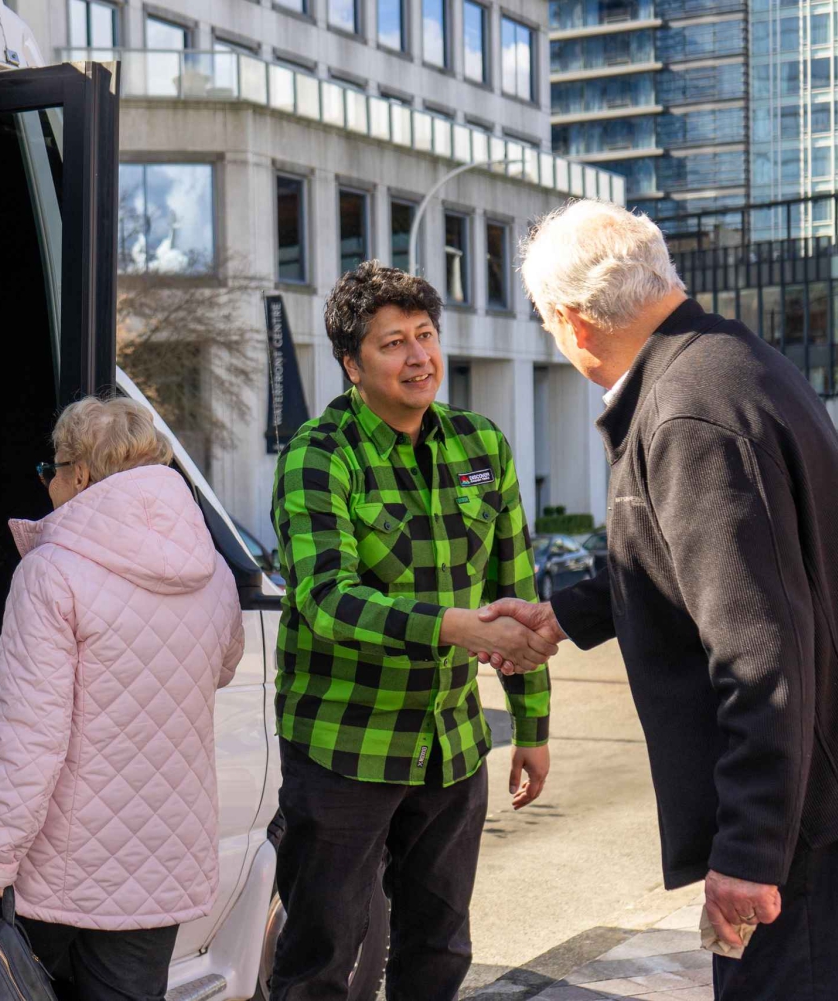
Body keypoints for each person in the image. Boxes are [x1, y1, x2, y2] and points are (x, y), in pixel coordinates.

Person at [484, 200, 838, 1000]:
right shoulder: (721, 359)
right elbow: (685, 556)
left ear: (572, 321)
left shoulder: (688, 410)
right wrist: (564, 615)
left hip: (819, 794)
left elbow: (756, 646)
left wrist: (749, 851)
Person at [268, 261, 554, 1001]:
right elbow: (327, 597)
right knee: (320, 959)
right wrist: (452, 626)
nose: (419, 356)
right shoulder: (319, 455)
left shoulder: (482, 447)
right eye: (392, 342)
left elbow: (516, 593)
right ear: (351, 364)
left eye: (425, 335)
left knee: (439, 947)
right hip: (342, 747)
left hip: (453, 744)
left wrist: (533, 725)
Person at [0, 395, 244, 1001]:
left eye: (51, 472)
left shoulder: (51, 574)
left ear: (81, 475)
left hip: (64, 870)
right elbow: (222, 667)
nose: (48, 487)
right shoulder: (214, 571)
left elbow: (29, 739)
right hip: (164, 861)